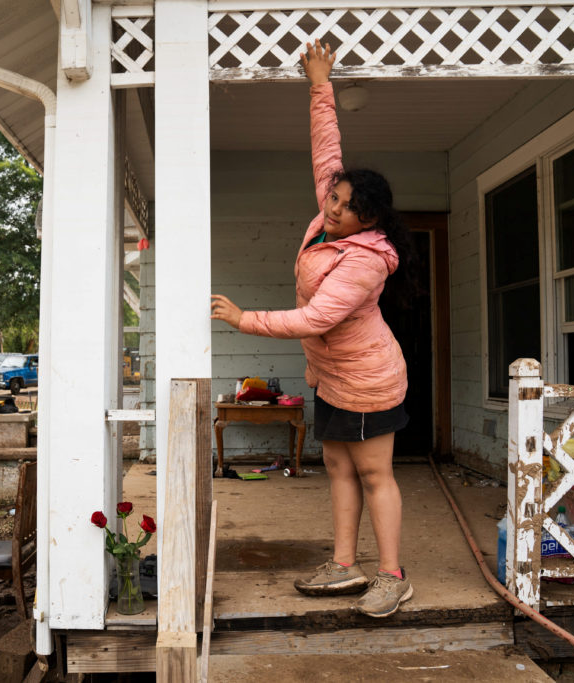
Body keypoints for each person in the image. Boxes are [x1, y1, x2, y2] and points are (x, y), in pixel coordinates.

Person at [210, 42, 415, 618]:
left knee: (375, 473)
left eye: (345, 205)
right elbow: (327, 151)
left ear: (368, 220)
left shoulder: (368, 258)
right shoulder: (329, 217)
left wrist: (245, 319)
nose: (332, 205)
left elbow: (319, 317)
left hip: (369, 378)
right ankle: (345, 565)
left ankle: (392, 576)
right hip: (329, 374)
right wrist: (319, 85)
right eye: (334, 196)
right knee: (337, 466)